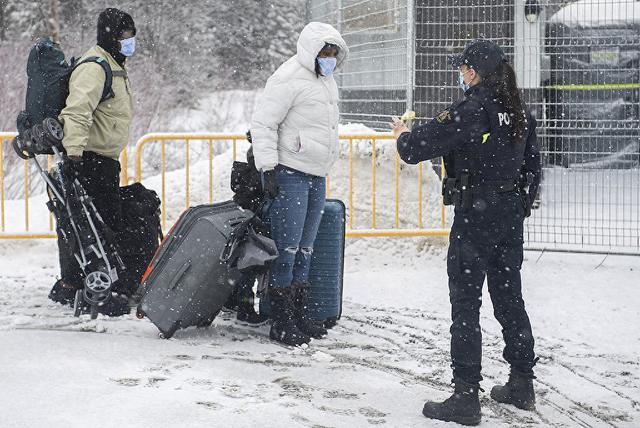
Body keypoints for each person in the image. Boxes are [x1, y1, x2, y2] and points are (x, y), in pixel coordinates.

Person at [391, 39, 541, 426]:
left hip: (476, 214)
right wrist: (516, 206)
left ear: (473, 71)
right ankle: (522, 382)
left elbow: (415, 148)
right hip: (507, 213)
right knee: (509, 296)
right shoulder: (519, 110)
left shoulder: (472, 108)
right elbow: (533, 169)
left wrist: (402, 135)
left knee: (465, 302)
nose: (460, 75)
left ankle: (464, 395)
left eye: (462, 69)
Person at [250, 22, 349, 346]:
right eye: (324, 53)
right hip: (291, 173)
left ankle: (298, 313)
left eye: (334, 53)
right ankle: (280, 321)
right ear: (311, 51)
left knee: (306, 248)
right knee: (288, 249)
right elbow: (264, 122)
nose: (329, 59)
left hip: (316, 175)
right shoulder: (288, 77)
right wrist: (268, 168)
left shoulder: (327, 81)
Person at [48, 8, 137, 317]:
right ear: (112, 36)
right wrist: (73, 154)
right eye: (126, 35)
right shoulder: (96, 66)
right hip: (89, 160)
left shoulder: (113, 65)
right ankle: (94, 290)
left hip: (102, 160)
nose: (130, 41)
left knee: (91, 225)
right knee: (97, 229)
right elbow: (77, 111)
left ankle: (77, 284)